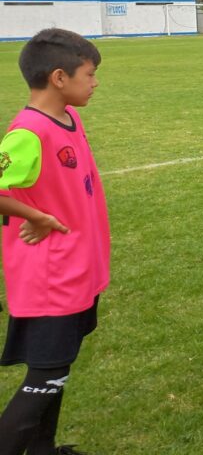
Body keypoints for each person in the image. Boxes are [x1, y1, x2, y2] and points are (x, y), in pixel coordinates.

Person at [0, 29, 107, 455]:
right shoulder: (27, 132)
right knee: (45, 377)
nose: (95, 82)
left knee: (56, 372)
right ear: (59, 77)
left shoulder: (69, 116)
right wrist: (36, 215)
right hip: (51, 279)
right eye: (90, 74)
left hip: (78, 269)